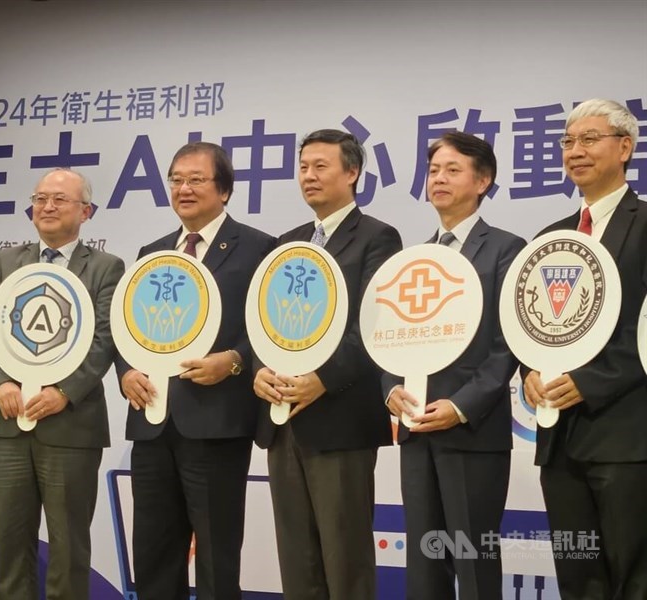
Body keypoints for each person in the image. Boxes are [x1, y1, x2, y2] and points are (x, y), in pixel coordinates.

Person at [115, 141, 275, 600]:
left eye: (196, 180)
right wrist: (126, 371)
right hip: (152, 421)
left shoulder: (260, 248)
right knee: (153, 552)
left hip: (216, 423)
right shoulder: (153, 251)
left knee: (216, 556)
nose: (183, 189)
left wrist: (236, 361)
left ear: (224, 190)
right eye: (176, 180)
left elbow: (271, 329)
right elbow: (128, 325)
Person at [253, 129, 402, 600]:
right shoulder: (287, 242)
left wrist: (321, 380)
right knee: (297, 560)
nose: (309, 176)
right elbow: (263, 320)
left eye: (321, 166)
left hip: (340, 418)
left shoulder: (378, 238)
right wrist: (260, 368)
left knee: (345, 559)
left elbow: (374, 329)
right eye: (303, 167)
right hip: (283, 421)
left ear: (352, 172)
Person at [0, 167, 124, 599]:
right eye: (40, 198)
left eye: (60, 199)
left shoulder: (107, 266)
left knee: (68, 545)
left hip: (71, 426)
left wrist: (64, 392)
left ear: (86, 211)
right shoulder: (6, 261)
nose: (48, 206)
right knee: (9, 542)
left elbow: (106, 337)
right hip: (8, 419)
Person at [384, 131, 525, 600]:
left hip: (471, 433)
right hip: (416, 430)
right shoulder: (414, 256)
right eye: (433, 171)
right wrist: (391, 390)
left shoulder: (506, 249)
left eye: (452, 170)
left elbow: (508, 347)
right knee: (424, 565)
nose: (438, 179)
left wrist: (461, 407)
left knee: (474, 561)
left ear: (482, 181)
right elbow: (386, 336)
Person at [522, 99, 647, 600]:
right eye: (568, 141)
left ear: (625, 148)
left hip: (626, 436)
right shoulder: (552, 237)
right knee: (578, 577)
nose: (575, 151)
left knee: (632, 576)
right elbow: (528, 323)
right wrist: (530, 369)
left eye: (589, 139)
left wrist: (590, 382)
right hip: (560, 439)